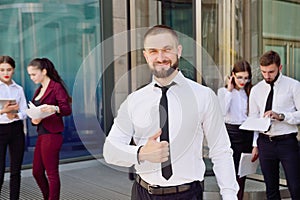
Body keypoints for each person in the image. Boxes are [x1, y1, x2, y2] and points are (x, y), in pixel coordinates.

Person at [103, 25, 238, 200]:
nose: (160, 57)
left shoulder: (204, 96)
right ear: (146, 56)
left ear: (178, 51)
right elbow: (110, 151)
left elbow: (221, 151)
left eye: (167, 49)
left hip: (187, 194)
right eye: (153, 51)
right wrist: (142, 153)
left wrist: (229, 195)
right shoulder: (134, 101)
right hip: (143, 193)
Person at [249, 50, 300, 200]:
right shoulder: (256, 90)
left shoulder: (293, 86)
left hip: (287, 142)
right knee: (270, 189)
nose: (267, 76)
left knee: (296, 187)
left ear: (280, 67)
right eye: (264, 71)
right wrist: (255, 145)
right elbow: (254, 118)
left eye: (271, 71)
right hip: (265, 143)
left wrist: (282, 116)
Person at [27, 58, 72, 200]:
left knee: (51, 173)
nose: (31, 77)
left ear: (44, 71)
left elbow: (66, 109)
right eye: (30, 75)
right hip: (42, 134)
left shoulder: (56, 87)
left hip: (52, 135)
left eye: (34, 74)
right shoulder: (39, 90)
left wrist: (55, 108)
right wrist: (35, 120)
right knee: (37, 172)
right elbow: (37, 114)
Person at [217, 60, 253, 200]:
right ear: (232, 76)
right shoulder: (223, 91)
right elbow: (222, 112)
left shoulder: (250, 92)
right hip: (230, 133)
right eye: (239, 77)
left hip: (247, 133)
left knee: (242, 172)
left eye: (246, 78)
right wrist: (229, 91)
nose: (243, 81)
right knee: (229, 171)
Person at [0, 55, 27, 200]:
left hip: (16, 130)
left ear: (14, 70)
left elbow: (25, 112)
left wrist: (16, 115)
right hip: (0, 130)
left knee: (16, 171)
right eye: (2, 69)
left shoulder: (19, 89)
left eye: (9, 69)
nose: (6, 72)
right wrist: (4, 111)